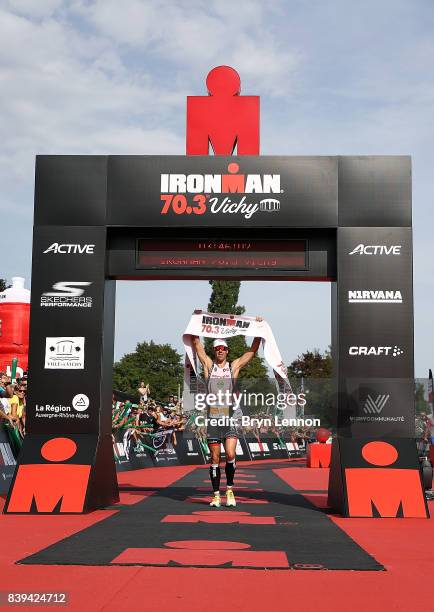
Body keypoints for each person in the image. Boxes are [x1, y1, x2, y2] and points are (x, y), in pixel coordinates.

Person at [191, 314, 262, 508]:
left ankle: (229, 490)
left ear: (227, 351)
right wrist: (197, 320)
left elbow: (250, 353)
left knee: (230, 454)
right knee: (214, 458)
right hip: (213, 417)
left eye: (223, 348)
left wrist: (258, 331)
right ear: (214, 351)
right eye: (217, 349)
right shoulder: (209, 365)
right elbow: (197, 345)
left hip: (230, 417)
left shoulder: (233, 367)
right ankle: (216, 495)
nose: (220, 351)